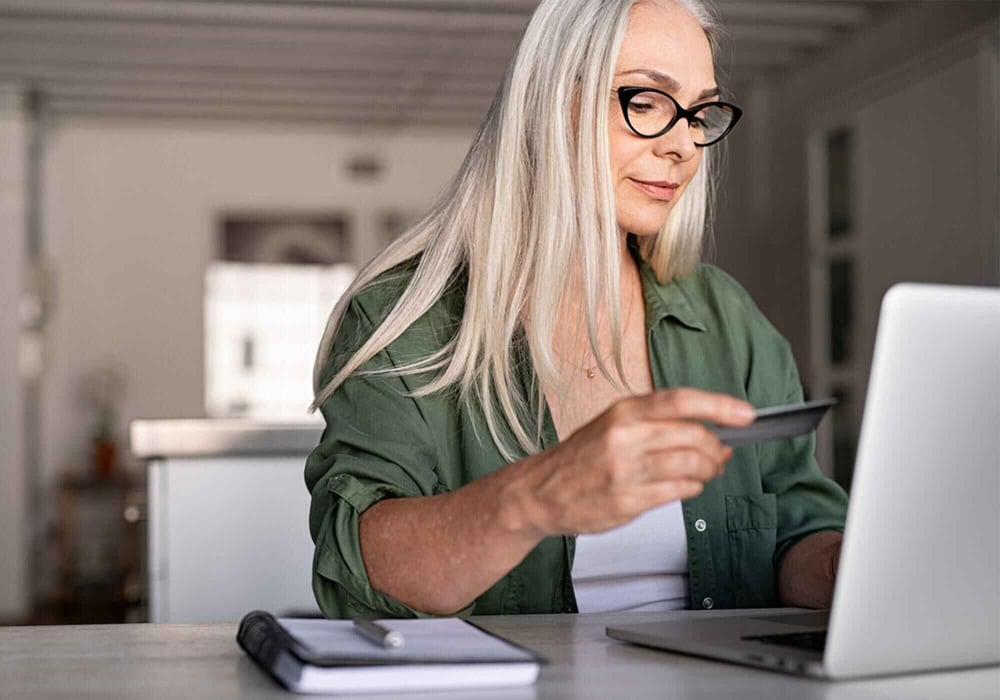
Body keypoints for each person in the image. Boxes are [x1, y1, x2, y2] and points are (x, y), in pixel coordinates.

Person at [305, 0, 848, 619]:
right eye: (645, 102)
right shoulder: (400, 321)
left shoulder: (727, 317)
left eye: (700, 113)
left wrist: (850, 567)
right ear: (548, 103)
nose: (684, 147)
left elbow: (796, 533)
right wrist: (538, 496)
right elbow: (360, 576)